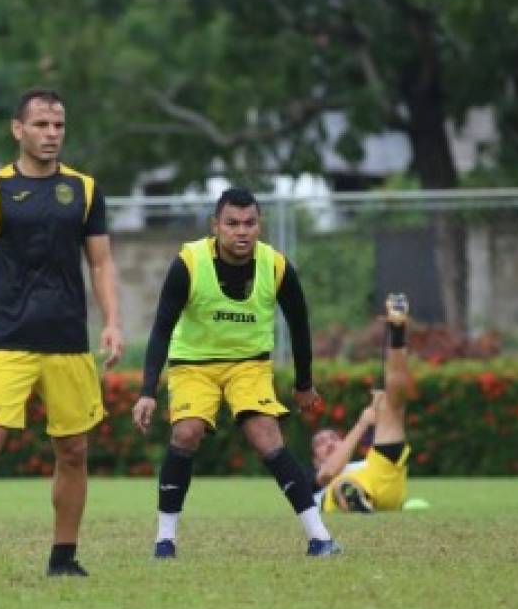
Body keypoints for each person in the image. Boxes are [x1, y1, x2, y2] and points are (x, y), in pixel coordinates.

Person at [0, 88, 124, 582]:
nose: (51, 134)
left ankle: (63, 557)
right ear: (18, 130)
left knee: (74, 450)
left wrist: (114, 323)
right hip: (7, 342)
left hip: (68, 343)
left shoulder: (84, 190)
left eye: (58, 126)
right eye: (40, 125)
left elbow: (101, 263)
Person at [131, 187, 340, 558]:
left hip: (249, 364)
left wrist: (305, 383)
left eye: (249, 223)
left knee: (267, 436)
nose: (241, 231)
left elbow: (299, 325)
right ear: (216, 226)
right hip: (194, 365)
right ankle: (165, 540)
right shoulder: (189, 262)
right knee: (187, 431)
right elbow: (162, 327)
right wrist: (147, 390)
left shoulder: (276, 266)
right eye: (232, 223)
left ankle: (320, 537)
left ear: (259, 226)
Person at [311, 294, 413, 513]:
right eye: (320, 442)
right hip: (339, 491)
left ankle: (397, 330)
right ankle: (354, 497)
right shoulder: (319, 481)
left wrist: (378, 407)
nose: (328, 442)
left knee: (393, 406)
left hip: (384, 480)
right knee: (342, 484)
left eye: (333, 438)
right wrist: (362, 423)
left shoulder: (362, 464)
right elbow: (329, 473)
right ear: (315, 460)